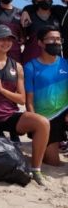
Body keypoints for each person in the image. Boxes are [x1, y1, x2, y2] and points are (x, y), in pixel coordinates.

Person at [0, 24, 51, 185]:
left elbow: (21, 99)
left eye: (9, 39)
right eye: (2, 39)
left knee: (42, 122)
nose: (6, 42)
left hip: (9, 115)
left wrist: (1, 89)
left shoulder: (17, 67)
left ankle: (36, 169)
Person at [24, 27, 68, 167]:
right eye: (51, 39)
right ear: (40, 43)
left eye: (58, 39)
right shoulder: (30, 67)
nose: (56, 42)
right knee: (53, 163)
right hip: (47, 119)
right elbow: (29, 100)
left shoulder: (65, 63)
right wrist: (34, 122)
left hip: (65, 113)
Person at [20, 0, 67, 66]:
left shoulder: (59, 12)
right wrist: (25, 11)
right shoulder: (29, 15)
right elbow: (23, 36)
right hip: (32, 59)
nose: (46, 0)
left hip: (55, 60)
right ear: (36, 1)